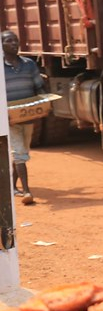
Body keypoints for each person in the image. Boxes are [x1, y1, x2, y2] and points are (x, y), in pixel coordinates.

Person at [2, 31, 45, 205]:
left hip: (28, 118)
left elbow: (39, 88)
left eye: (16, 40)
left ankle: (12, 186)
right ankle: (27, 191)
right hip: (9, 119)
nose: (14, 43)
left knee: (21, 152)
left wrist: (43, 105)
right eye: (9, 41)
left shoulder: (29, 65)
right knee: (19, 153)